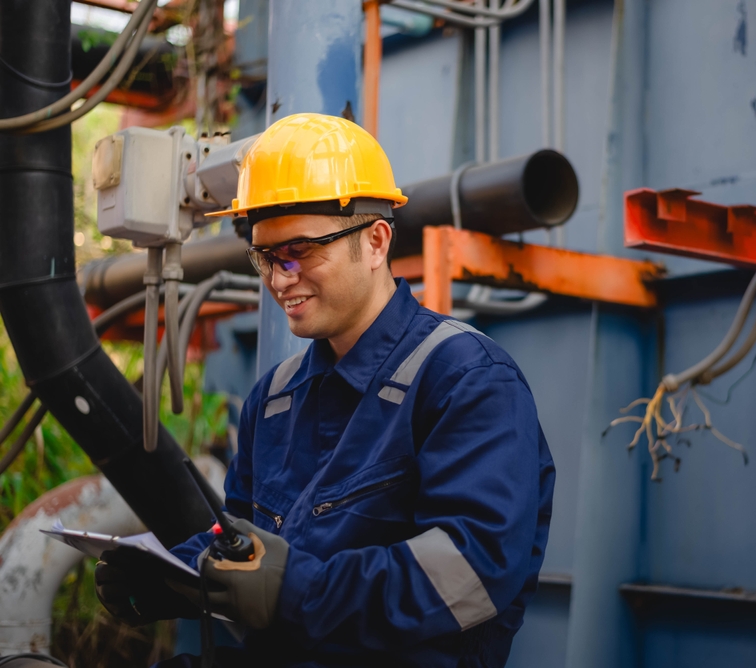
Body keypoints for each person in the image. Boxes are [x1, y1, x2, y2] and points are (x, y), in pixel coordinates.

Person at [94, 113, 556, 667]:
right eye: (264, 255)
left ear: (377, 241)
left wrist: (291, 589)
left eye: (300, 251)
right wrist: (174, 575)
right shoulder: (274, 398)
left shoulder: (466, 380)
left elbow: (473, 572)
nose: (279, 278)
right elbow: (240, 540)